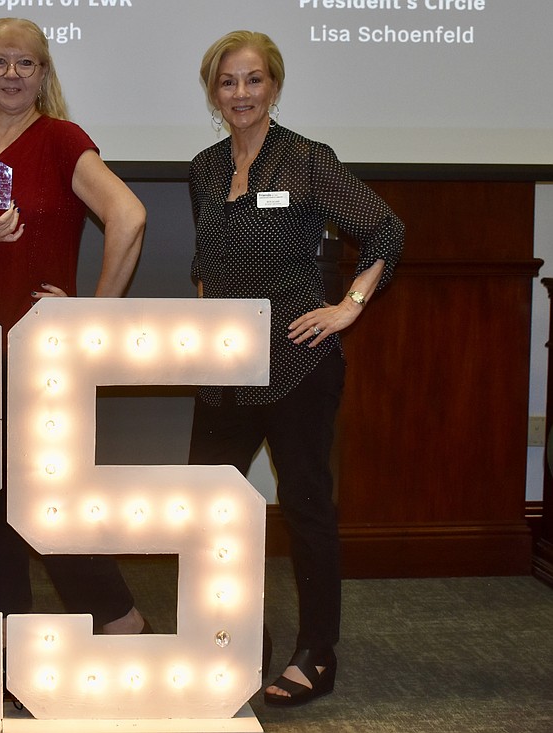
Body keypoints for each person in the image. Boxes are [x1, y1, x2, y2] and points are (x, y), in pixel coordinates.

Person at [187, 30, 404, 707]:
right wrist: (202, 322)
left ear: (274, 87)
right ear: (213, 92)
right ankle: (232, 641)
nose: (241, 94)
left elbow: (386, 230)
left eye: (253, 80)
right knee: (208, 510)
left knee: (306, 506)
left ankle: (317, 653)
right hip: (224, 367)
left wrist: (348, 307)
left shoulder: (308, 160)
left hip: (297, 361)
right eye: (228, 82)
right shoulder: (204, 166)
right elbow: (208, 260)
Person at [0, 18, 148, 636]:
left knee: (50, 503)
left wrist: (92, 315)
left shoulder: (62, 139)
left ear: (43, 75)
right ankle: (10, 641)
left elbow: (129, 214)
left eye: (25, 64)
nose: (11, 75)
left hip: (40, 358)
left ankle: (119, 622)